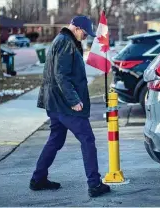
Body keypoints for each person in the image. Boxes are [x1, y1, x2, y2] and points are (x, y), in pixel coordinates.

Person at [30, 16, 110, 197]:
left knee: (55, 140)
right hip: (65, 105)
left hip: (55, 103)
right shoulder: (66, 43)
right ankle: (94, 184)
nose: (85, 37)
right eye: (84, 33)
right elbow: (61, 75)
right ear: (76, 27)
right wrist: (74, 101)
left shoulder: (61, 40)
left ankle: (38, 179)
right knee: (87, 140)